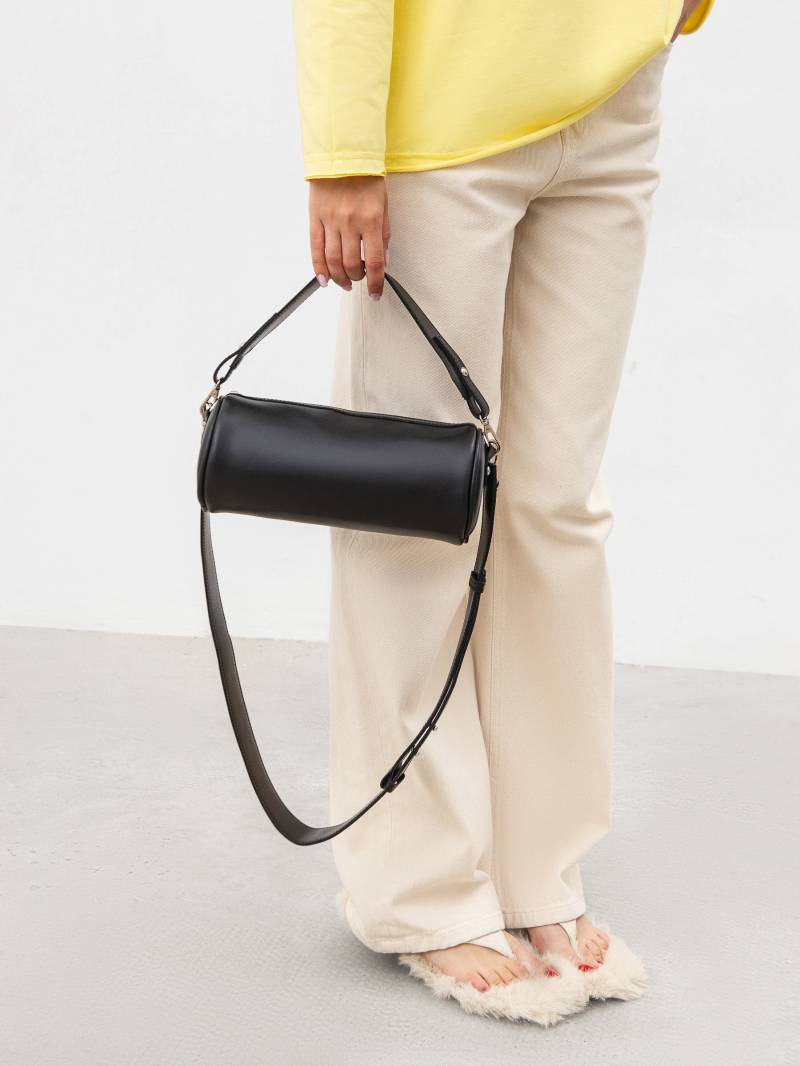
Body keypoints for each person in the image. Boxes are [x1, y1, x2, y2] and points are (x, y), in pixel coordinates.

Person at [291, 0, 715, 1023]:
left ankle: (538, 870)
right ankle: (420, 887)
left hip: (614, 94)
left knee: (554, 508)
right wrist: (343, 149)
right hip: (445, 114)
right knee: (414, 514)